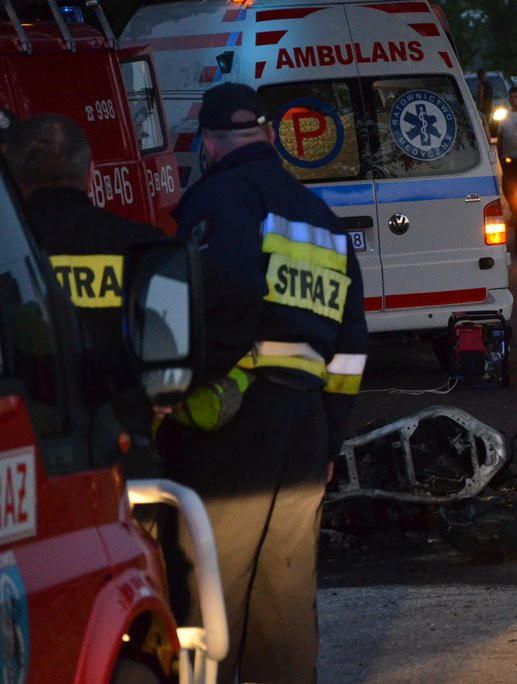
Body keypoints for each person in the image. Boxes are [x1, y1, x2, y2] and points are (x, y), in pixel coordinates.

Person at [156, 82, 368, 684]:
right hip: (304, 428)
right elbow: (352, 345)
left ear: (210, 145)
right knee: (285, 593)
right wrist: (329, 440)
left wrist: (178, 390)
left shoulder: (220, 198)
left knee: (213, 584)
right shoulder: (322, 219)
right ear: (269, 136)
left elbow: (221, 298)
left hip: (236, 422)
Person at [4, 114, 165, 467]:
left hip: (25, 448)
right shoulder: (144, 246)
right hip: (124, 450)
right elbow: (227, 302)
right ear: (92, 174)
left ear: (14, 179)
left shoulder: (9, 253)